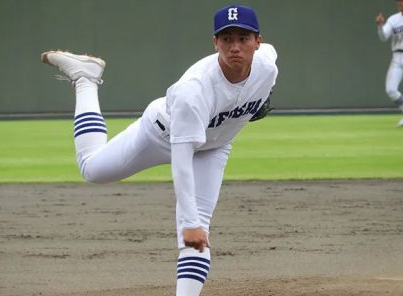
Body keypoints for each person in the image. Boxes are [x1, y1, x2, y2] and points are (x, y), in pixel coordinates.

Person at [42, 4, 278, 296]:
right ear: (215, 42)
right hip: (160, 134)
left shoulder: (267, 66)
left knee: (198, 231)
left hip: (213, 147)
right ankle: (86, 80)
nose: (235, 47)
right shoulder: (194, 90)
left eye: (243, 38)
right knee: (92, 170)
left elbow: (265, 69)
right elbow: (181, 162)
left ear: (258, 41)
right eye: (227, 38)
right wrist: (188, 223)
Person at [376, 0, 403, 126]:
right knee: (391, 90)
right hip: (398, 57)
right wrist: (380, 26)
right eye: (399, 2)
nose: (400, 4)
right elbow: (383, 37)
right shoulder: (394, 19)